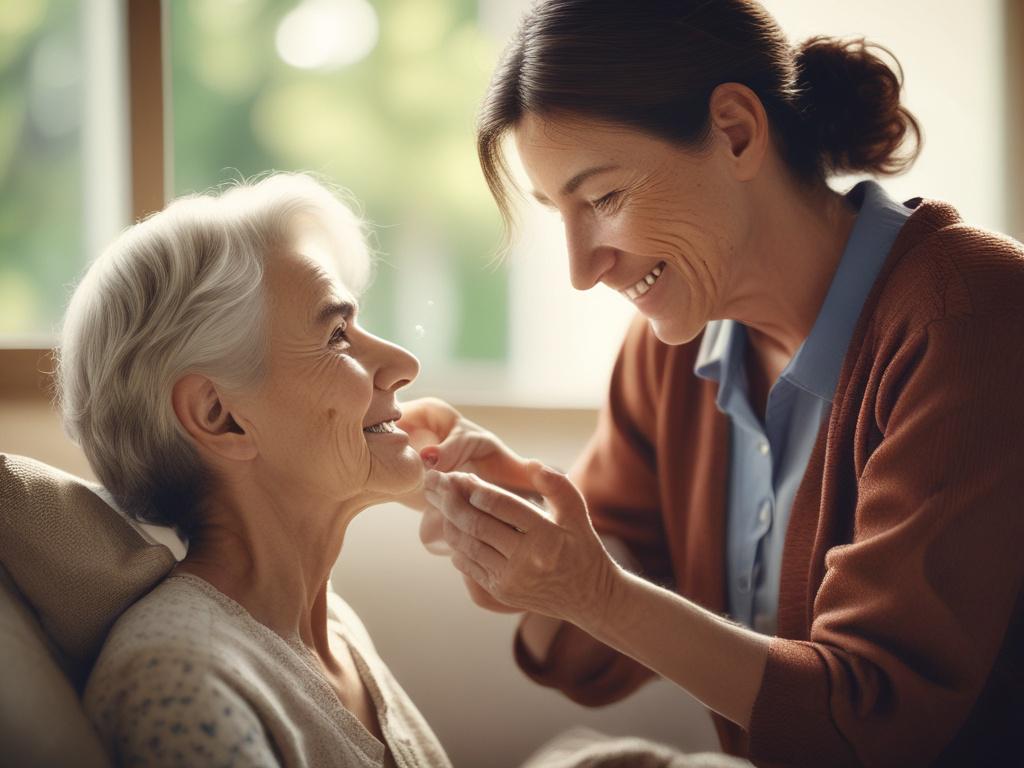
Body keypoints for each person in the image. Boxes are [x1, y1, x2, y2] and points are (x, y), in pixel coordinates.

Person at [398, 0, 1024, 765]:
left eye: (603, 198)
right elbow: (598, 639)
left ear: (736, 131)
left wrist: (589, 591)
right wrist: (519, 527)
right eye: (557, 212)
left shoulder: (969, 314)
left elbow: (874, 721)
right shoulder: (674, 343)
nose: (581, 269)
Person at [59, 173, 451, 767]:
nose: (403, 363)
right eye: (338, 335)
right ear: (220, 417)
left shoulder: (330, 629)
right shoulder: (178, 685)